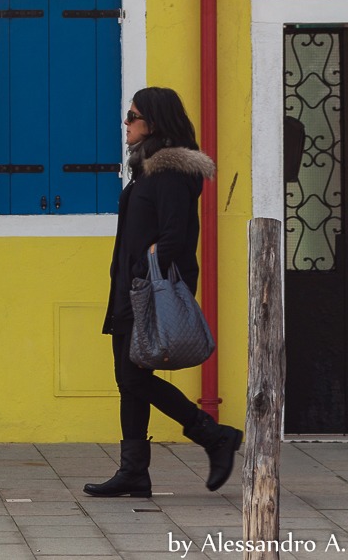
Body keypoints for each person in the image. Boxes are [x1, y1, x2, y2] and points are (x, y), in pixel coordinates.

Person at [84, 87, 243, 498]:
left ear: (152, 123)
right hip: (131, 288)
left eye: (132, 116)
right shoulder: (147, 170)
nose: (126, 123)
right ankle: (134, 472)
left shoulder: (170, 173)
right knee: (130, 378)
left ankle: (213, 435)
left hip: (146, 291)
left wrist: (141, 268)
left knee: (133, 377)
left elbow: (175, 236)